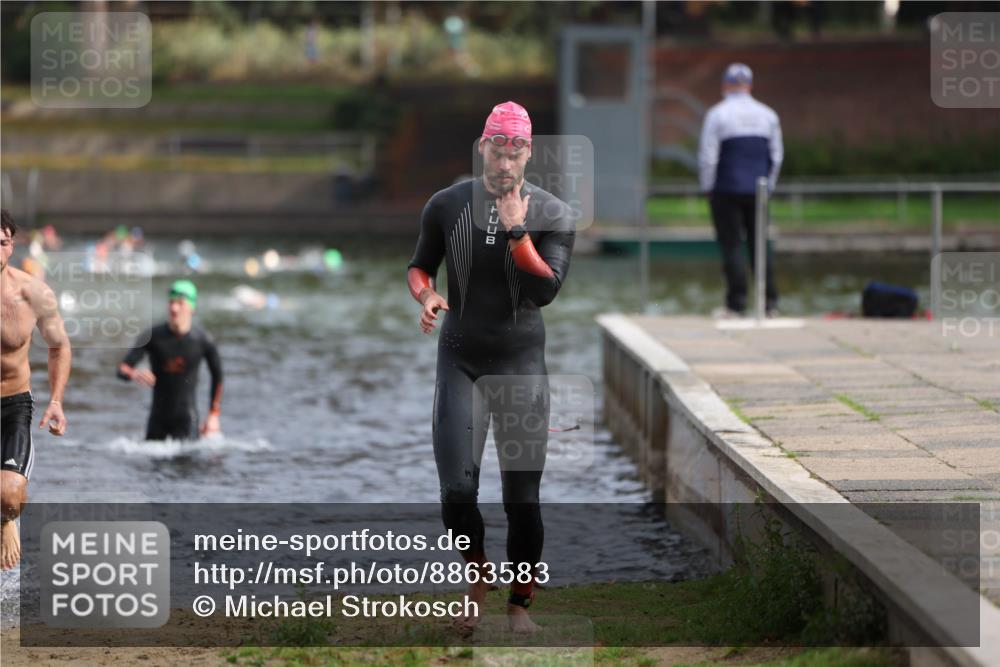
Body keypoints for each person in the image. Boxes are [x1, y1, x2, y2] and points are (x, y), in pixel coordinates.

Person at [407, 101, 575, 633]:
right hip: (459, 361)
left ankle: (519, 608)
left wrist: (517, 232)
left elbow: (546, 290)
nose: (505, 163)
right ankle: (477, 576)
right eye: (497, 151)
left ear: (529, 153)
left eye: (516, 152)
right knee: (456, 492)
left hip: (521, 364)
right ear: (484, 148)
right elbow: (418, 266)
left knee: (521, 498)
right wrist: (427, 295)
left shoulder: (553, 214)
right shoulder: (446, 204)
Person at [0, 209, 72, 570]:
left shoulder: (33, 293)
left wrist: (56, 401)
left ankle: (6, 519)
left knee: (9, 495)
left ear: (12, 245)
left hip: (14, 404)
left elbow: (59, 345)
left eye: (2, 243)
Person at [698, 63, 783, 317]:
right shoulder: (768, 115)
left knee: (732, 245)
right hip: (758, 189)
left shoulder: (717, 114)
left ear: (725, 86)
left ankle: (736, 304)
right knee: (760, 245)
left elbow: (708, 156)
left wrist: (707, 186)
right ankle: (770, 304)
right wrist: (769, 186)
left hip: (726, 188)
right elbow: (776, 156)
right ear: (749, 85)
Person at [117, 280, 223, 441]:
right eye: (171, 302)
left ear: (192, 307)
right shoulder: (152, 336)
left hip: (187, 419)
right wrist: (134, 373)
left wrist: (213, 414)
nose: (174, 308)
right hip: (157, 420)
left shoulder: (203, 340)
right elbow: (122, 369)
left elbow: (218, 376)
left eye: (180, 303)